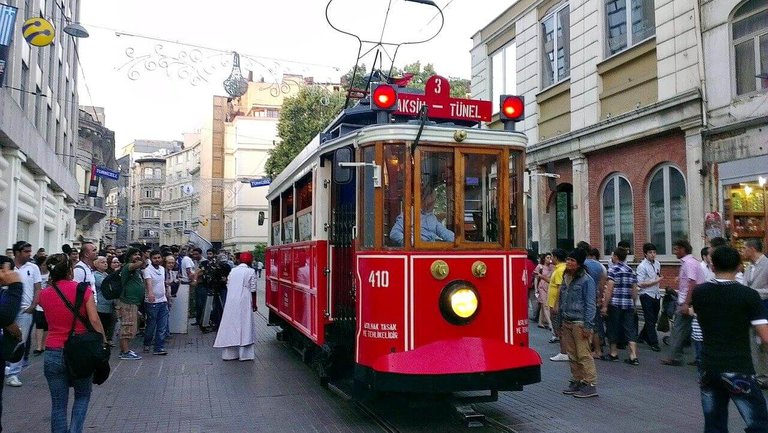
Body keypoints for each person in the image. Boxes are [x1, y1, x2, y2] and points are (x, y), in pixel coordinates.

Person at [692, 246, 768, 432]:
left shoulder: (700, 293)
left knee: (714, 423)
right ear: (740, 266)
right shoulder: (748, 295)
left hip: (708, 366)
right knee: (758, 422)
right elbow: (765, 336)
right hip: (737, 368)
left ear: (712, 265)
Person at [38, 253, 105, 433]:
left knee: (58, 405)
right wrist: (103, 342)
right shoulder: (83, 290)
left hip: (53, 350)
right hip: (80, 351)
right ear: (69, 270)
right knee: (82, 396)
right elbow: (94, 320)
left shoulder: (44, 294)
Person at [558, 249, 598, 398]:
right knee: (572, 354)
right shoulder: (566, 277)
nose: (568, 262)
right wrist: (559, 323)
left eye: (572, 260)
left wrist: (588, 325)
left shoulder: (587, 280)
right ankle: (577, 380)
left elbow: (590, 304)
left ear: (579, 263)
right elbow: (562, 301)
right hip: (567, 320)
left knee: (583, 354)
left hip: (580, 322)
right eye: (568, 259)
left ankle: (590, 383)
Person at [662, 239, 706, 366]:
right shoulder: (689, 262)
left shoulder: (689, 263)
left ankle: (675, 357)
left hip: (689, 301)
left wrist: (686, 303)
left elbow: (692, 283)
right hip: (689, 300)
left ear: (683, 249)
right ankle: (685, 356)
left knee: (678, 329)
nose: (675, 252)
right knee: (688, 329)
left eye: (676, 249)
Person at [6, 241, 42, 388]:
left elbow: (38, 288)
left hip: (24, 311)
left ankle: (14, 373)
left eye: (30, 251)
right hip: (6, 310)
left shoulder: (33, 268)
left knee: (20, 342)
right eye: (26, 251)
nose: (29, 254)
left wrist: (33, 306)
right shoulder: (7, 267)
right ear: (18, 252)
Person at [214, 252, 258, 361]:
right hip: (245, 298)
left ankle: (230, 353)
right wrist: (254, 304)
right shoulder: (251, 271)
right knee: (245, 324)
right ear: (250, 261)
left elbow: (228, 284)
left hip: (232, 299)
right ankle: (245, 354)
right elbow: (253, 289)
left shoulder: (233, 271)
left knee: (230, 323)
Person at [601, 247, 639, 364]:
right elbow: (634, 290)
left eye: (613, 255)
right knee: (630, 329)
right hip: (628, 304)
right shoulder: (631, 270)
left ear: (616, 257)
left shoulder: (613, 270)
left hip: (615, 303)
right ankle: (633, 355)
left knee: (613, 327)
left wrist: (605, 305)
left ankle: (613, 353)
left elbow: (610, 289)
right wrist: (633, 304)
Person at [0, 256, 24, 433]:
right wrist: (16, 286)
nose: (10, 274)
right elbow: (7, 315)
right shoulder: (10, 289)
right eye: (7, 270)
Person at [389, 185, 454, 244]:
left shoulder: (432, 217)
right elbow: (394, 233)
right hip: (416, 251)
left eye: (434, 201)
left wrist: (457, 240)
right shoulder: (409, 214)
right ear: (424, 200)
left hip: (429, 249)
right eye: (432, 202)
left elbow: (444, 232)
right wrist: (412, 242)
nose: (434, 204)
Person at [744, 238, 768, 388]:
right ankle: (759, 374)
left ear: (752, 249)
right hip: (751, 310)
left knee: (763, 343)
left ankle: (763, 376)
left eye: (745, 248)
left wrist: (752, 293)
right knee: (753, 343)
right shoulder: (749, 267)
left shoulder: (766, 264)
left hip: (764, 308)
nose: (743, 251)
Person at [117, 248, 145, 360]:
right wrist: (142, 259)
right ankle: (125, 352)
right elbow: (137, 264)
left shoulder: (136, 270)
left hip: (133, 302)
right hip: (128, 302)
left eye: (139, 254)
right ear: (129, 256)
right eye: (135, 255)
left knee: (130, 327)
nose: (137, 256)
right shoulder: (128, 266)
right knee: (127, 327)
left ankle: (124, 349)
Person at [542, 249, 568, 361]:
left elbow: (559, 288)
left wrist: (556, 304)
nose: (551, 258)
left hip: (555, 304)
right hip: (554, 303)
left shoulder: (560, 270)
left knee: (560, 329)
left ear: (556, 257)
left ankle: (564, 352)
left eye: (552, 256)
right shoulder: (558, 269)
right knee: (559, 329)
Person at [636, 243, 662, 352]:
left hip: (656, 294)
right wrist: (655, 281)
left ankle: (642, 336)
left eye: (654, 252)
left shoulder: (657, 264)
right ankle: (654, 342)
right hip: (646, 294)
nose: (653, 255)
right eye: (650, 252)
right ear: (645, 254)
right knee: (650, 318)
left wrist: (657, 280)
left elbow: (657, 276)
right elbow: (640, 283)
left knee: (654, 318)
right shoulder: (642, 266)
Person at [142, 250, 169, 355]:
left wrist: (166, 295)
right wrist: (150, 293)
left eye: (159, 257)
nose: (157, 260)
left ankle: (159, 347)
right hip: (152, 302)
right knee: (151, 325)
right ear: (151, 259)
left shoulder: (162, 269)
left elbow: (163, 283)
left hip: (163, 300)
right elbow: (148, 282)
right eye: (155, 258)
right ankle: (147, 343)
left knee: (162, 325)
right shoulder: (147, 270)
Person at [93, 256, 115, 346]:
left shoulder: (105, 274)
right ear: (96, 264)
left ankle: (107, 339)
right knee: (102, 323)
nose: (105, 264)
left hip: (109, 304)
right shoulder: (96, 275)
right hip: (101, 305)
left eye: (106, 262)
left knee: (109, 323)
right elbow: (105, 285)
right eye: (102, 262)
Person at [32, 253, 50, 356]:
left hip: (48, 302)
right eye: (43, 264)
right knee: (39, 323)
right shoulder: (37, 274)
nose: (45, 266)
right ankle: (39, 346)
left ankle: (44, 344)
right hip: (39, 302)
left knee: (47, 325)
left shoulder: (51, 275)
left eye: (46, 264)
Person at [534, 253, 553, 329]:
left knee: (543, 305)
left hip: (549, 287)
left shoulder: (552, 267)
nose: (549, 259)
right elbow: (536, 278)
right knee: (545, 305)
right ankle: (550, 323)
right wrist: (536, 289)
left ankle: (540, 322)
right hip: (541, 286)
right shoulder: (540, 266)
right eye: (547, 257)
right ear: (544, 258)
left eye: (550, 257)